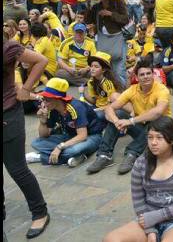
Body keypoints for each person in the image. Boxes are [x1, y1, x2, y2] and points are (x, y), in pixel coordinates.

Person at [103, 116, 173, 242]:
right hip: (147, 220)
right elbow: (138, 200)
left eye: (159, 138)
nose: (153, 142)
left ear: (172, 140)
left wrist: (157, 216)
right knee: (112, 239)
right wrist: (150, 230)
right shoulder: (140, 164)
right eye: (150, 137)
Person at [86, 59, 172, 176]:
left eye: (148, 73)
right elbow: (109, 108)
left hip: (161, 132)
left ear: (153, 75)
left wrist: (130, 121)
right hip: (141, 128)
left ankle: (132, 153)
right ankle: (104, 155)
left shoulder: (161, 89)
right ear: (136, 77)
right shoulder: (133, 89)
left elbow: (158, 112)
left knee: (156, 122)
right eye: (142, 74)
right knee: (119, 114)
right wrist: (117, 122)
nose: (146, 77)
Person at [3, 35, 50, 239]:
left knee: (17, 169)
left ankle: (40, 212)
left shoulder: (8, 47)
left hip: (8, 115)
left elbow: (41, 60)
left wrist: (27, 88)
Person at [27, 78, 105, 167]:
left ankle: (41, 157)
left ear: (58, 99)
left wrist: (59, 147)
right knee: (36, 143)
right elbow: (44, 136)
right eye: (43, 99)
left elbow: (82, 136)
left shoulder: (76, 107)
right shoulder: (51, 109)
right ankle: (78, 156)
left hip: (91, 136)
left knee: (71, 151)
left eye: (47, 100)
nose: (43, 103)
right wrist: (42, 121)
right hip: (70, 136)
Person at [85, 0, 130, 87]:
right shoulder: (96, 6)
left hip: (117, 39)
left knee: (119, 69)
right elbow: (88, 20)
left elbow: (125, 19)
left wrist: (110, 14)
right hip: (102, 40)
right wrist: (88, 6)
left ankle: (122, 91)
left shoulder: (118, 3)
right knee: (105, 68)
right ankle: (108, 90)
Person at [83, 51, 123, 119]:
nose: (92, 69)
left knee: (97, 116)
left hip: (110, 108)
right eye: (91, 66)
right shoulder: (91, 82)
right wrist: (83, 94)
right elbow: (94, 101)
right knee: (83, 110)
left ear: (103, 70)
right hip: (98, 107)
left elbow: (112, 104)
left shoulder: (107, 84)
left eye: (96, 67)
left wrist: (96, 110)